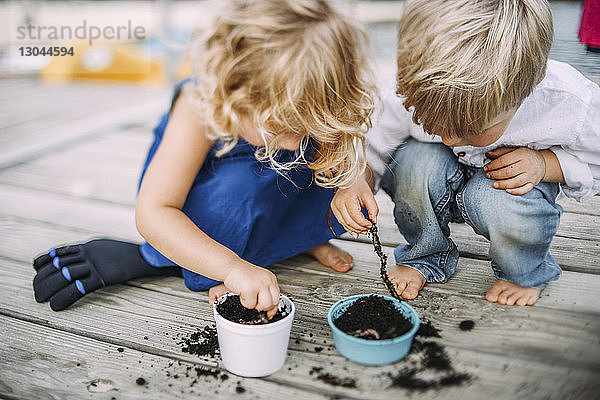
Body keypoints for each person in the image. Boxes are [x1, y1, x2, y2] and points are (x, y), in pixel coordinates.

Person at [33, 0, 376, 317]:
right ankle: (212, 258)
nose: (294, 143)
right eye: (282, 128)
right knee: (238, 192)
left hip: (269, 189)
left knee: (324, 168)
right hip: (216, 194)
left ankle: (293, 243)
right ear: (235, 92)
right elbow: (155, 212)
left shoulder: (309, 108)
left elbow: (349, 158)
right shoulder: (199, 106)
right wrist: (231, 268)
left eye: (308, 128)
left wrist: (352, 181)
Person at [332, 0, 600, 306]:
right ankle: (424, 256)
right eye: (431, 122)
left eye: (470, 130)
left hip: (506, 188)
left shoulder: (568, 102)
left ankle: (523, 271)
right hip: (437, 176)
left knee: (493, 200)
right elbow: (374, 143)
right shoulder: (415, 84)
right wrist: (356, 180)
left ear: (528, 88)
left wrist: (545, 164)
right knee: (416, 162)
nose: (448, 139)